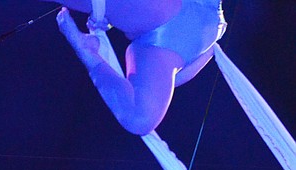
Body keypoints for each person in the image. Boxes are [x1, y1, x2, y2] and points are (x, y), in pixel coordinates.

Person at [46, 0, 226, 135]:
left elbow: (174, 79)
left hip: (178, 41)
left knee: (140, 119)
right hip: (176, 15)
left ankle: (88, 51)